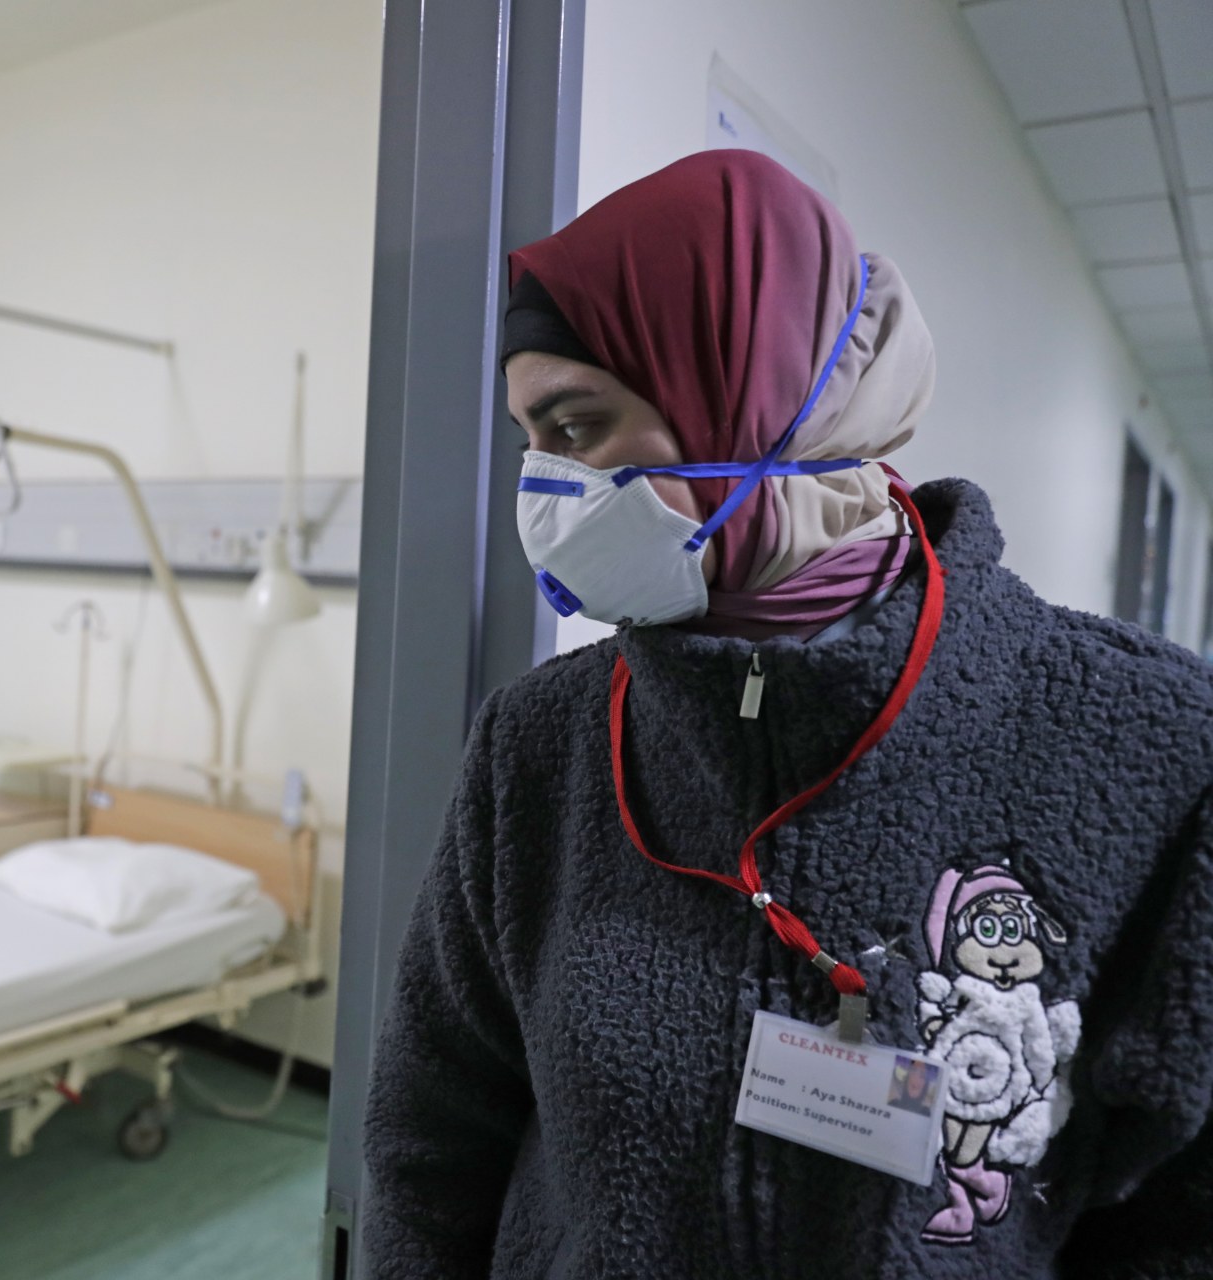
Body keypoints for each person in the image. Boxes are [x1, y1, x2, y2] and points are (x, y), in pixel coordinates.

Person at [361, 149, 1213, 1278]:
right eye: (528, 439)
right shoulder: (538, 745)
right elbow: (430, 1142)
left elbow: (1180, 1217)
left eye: (574, 426)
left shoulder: (1150, 742)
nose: (542, 490)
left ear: (760, 400)